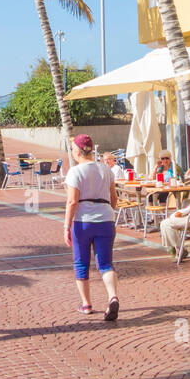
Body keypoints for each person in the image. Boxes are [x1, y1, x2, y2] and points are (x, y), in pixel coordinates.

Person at [63, 134, 120, 321]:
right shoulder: (106, 169)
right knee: (105, 264)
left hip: (83, 221)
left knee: (81, 263)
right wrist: (108, 211)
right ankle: (112, 297)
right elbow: (114, 199)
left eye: (72, 148)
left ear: (78, 151)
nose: (71, 151)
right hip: (105, 220)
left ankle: (86, 304)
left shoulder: (75, 172)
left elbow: (72, 202)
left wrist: (66, 226)